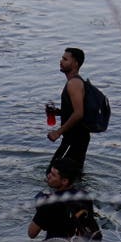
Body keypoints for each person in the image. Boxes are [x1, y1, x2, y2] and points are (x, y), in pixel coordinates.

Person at [46, 47, 91, 178]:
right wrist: (58, 112)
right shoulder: (75, 82)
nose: (61, 61)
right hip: (77, 137)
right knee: (72, 176)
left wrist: (57, 132)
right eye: (62, 58)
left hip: (75, 138)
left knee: (53, 174)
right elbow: (76, 110)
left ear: (75, 63)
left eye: (65, 59)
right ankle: (78, 195)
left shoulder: (74, 83)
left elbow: (78, 113)